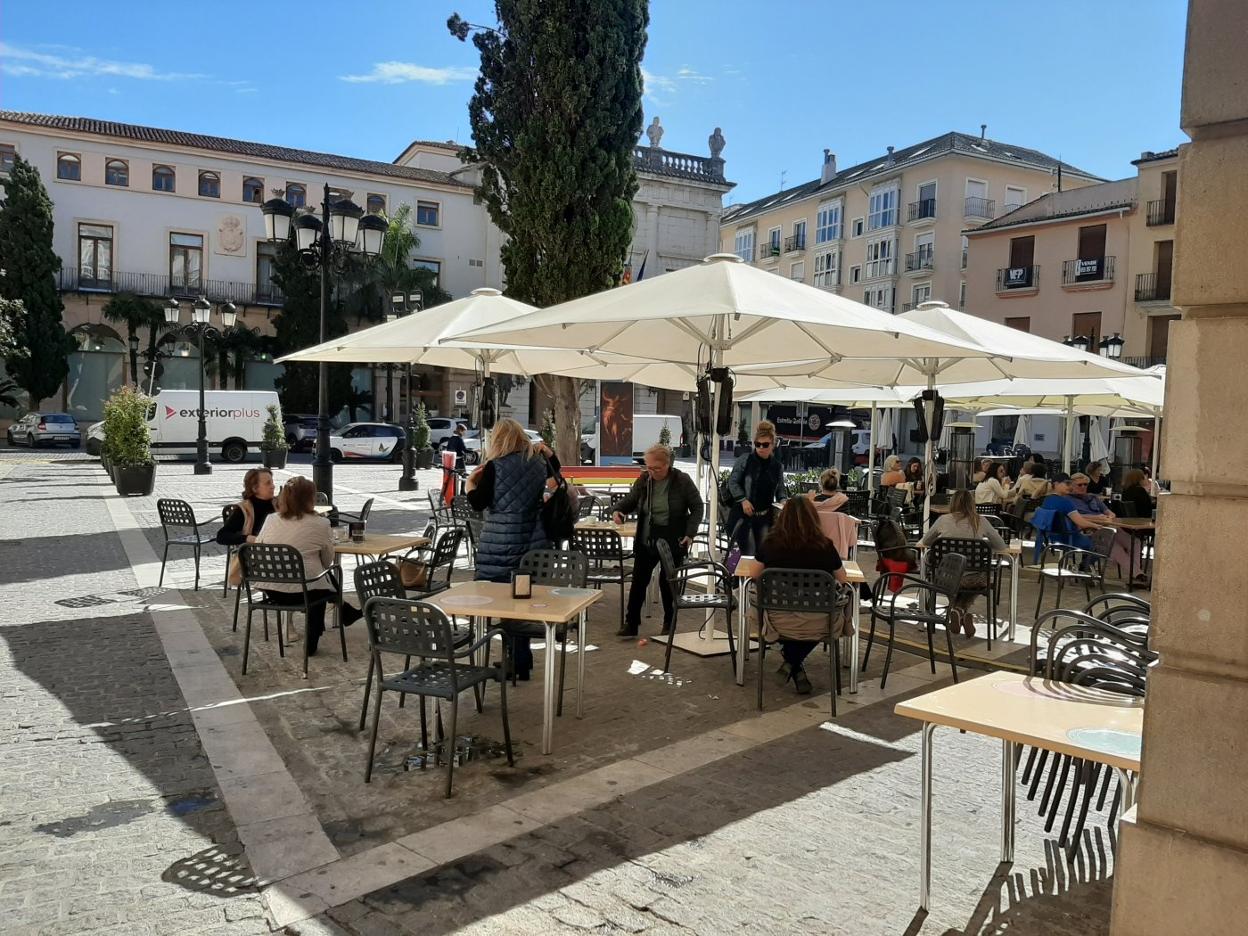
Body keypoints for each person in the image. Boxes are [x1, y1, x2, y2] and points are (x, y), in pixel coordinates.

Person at [466, 417, 558, 680]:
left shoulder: (496, 466)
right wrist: (547, 450)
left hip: (500, 543)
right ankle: (521, 660)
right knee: (521, 602)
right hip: (532, 541)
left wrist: (470, 485)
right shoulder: (537, 462)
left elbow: (478, 503)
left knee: (501, 604)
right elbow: (557, 471)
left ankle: (513, 662)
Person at [253, 476, 361, 655]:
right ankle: (315, 640)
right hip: (304, 592)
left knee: (318, 581)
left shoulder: (271, 520)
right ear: (310, 499)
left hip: (271, 587)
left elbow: (258, 548)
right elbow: (327, 561)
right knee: (320, 582)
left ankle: (345, 611)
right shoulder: (321, 523)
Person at [755, 497, 848, 694]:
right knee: (829, 612)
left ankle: (792, 662)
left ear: (782, 518)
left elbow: (756, 575)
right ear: (813, 518)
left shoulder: (770, 543)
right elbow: (843, 578)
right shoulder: (825, 546)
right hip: (820, 620)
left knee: (762, 603)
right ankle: (793, 663)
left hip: (776, 620)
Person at [612, 443, 703, 637]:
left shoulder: (681, 480)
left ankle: (669, 622)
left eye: (657, 468)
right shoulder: (645, 480)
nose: (652, 472)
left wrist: (690, 533)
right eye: (649, 467)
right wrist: (618, 510)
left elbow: (697, 507)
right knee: (638, 581)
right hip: (647, 537)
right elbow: (631, 499)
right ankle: (631, 623)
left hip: (673, 538)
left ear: (667, 464)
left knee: (667, 582)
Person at [919, 489, 1006, 638]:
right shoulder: (981, 521)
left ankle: (957, 610)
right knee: (981, 579)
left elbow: (926, 542)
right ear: (972, 504)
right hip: (973, 578)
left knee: (955, 582)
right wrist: (982, 547)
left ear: (952, 503)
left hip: (945, 577)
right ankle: (960, 611)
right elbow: (1001, 546)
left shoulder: (942, 520)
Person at [726, 419, 786, 554]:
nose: (761, 448)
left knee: (763, 554)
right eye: (757, 444)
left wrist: (783, 501)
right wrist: (742, 500)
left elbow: (780, 489)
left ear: (773, 444)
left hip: (765, 516)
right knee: (748, 553)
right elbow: (733, 482)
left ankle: (757, 575)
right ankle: (739, 574)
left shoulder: (777, 466)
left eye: (765, 445)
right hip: (742, 516)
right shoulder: (745, 460)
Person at [1037, 472, 1113, 554]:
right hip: (1069, 539)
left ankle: (1085, 564)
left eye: (1070, 484)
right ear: (1056, 484)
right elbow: (1081, 523)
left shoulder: (1047, 500)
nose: (1070, 487)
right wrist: (1098, 526)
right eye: (1067, 484)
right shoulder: (1065, 502)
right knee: (1102, 545)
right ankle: (1085, 565)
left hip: (1051, 538)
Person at [1110, 468, 1154, 586]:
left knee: (1135, 543)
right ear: (1139, 479)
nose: (1145, 479)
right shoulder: (1140, 492)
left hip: (1128, 524)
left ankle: (1137, 574)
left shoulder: (1126, 491)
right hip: (1142, 524)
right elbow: (1148, 509)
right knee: (1137, 542)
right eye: (1144, 477)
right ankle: (1137, 574)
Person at [218, 468, 276, 548]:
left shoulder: (280, 504)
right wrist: (247, 538)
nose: (273, 486)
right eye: (268, 483)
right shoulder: (245, 509)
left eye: (272, 482)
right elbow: (222, 536)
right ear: (255, 488)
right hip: (252, 555)